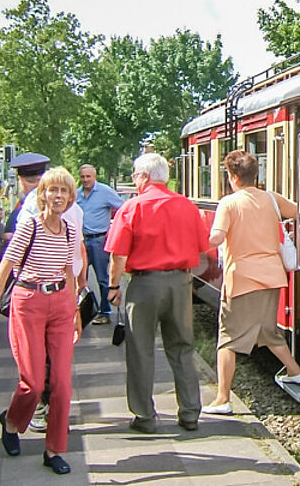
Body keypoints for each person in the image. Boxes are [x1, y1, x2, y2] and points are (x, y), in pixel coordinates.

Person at [0, 167, 81, 475]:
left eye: (64, 191)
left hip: (61, 303)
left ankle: (54, 450)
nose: (58, 196)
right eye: (52, 190)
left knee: (62, 384)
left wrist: (74, 311)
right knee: (33, 383)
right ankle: (11, 421)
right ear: (42, 194)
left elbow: (69, 273)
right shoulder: (30, 226)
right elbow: (5, 268)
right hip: (29, 302)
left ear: (70, 198)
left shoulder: (71, 231)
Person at [105, 152, 208, 433]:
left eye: (135, 175)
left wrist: (114, 287)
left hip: (144, 285)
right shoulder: (188, 206)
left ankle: (145, 416)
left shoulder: (132, 208)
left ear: (144, 177)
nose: (134, 181)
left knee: (140, 350)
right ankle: (190, 413)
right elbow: (202, 246)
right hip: (180, 283)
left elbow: (118, 255)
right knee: (183, 348)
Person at [203, 150, 300, 416]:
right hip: (272, 275)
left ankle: (222, 398)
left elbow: (216, 238)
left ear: (233, 177)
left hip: (243, 278)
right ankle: (295, 373)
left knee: (227, 339)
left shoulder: (229, 203)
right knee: (267, 331)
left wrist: (190, 239)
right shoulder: (271, 198)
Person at [12, 154, 88, 433]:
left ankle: (42, 409)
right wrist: (81, 281)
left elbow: (17, 254)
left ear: (23, 180)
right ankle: (50, 410)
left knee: (39, 356)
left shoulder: (32, 205)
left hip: (38, 290)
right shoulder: (76, 208)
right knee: (57, 357)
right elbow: (80, 248)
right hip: (65, 288)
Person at [76, 164, 124, 325]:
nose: (85, 180)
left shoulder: (105, 192)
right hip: (81, 241)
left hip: (99, 240)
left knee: (103, 278)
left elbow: (123, 209)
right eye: (82, 177)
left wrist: (114, 230)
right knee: (78, 277)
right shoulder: (77, 195)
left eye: (88, 176)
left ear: (94, 176)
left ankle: (105, 312)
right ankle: (79, 314)